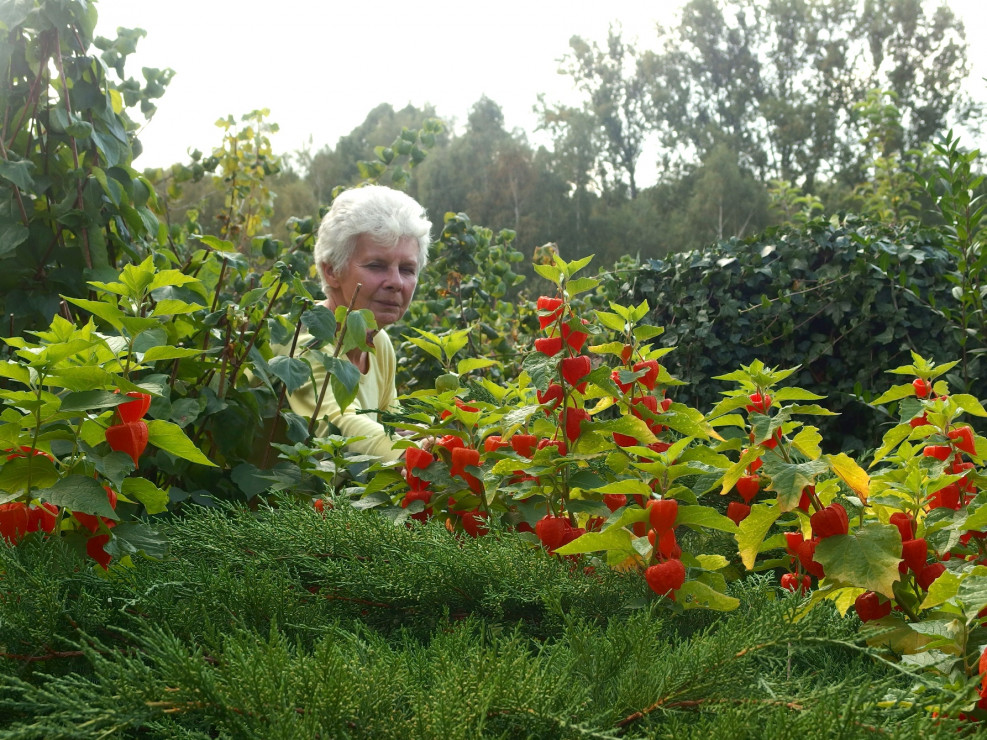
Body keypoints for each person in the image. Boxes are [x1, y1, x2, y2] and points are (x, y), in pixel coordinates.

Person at [285, 185, 432, 462]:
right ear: (332, 271)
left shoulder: (378, 342)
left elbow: (392, 423)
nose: (396, 283)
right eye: (376, 265)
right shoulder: (307, 340)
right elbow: (340, 424)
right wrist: (410, 454)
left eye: (407, 269)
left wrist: (435, 438)